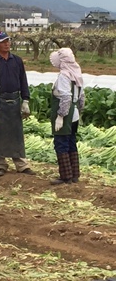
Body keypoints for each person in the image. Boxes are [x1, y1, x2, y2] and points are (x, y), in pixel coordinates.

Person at [0, 31, 36, 177]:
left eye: (8, 41)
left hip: (14, 100)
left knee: (16, 133)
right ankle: (0, 164)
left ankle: (21, 164)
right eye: (3, 42)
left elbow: (23, 80)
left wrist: (25, 100)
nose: (7, 44)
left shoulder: (17, 60)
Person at [49, 47, 85, 185]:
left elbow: (65, 98)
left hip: (66, 114)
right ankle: (74, 175)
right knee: (71, 143)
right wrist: (79, 112)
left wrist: (61, 116)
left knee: (61, 144)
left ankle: (65, 177)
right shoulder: (77, 73)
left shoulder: (65, 75)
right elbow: (82, 98)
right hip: (74, 113)